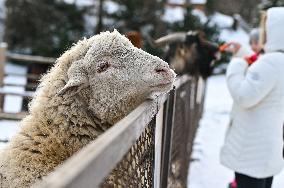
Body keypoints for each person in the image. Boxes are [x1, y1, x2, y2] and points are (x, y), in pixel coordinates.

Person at [220, 7, 284, 188]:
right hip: (267, 150)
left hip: (251, 154)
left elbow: (243, 96)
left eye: (266, 29)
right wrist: (244, 53)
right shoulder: (278, 61)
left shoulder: (270, 63)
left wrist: (236, 63)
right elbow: (263, 79)